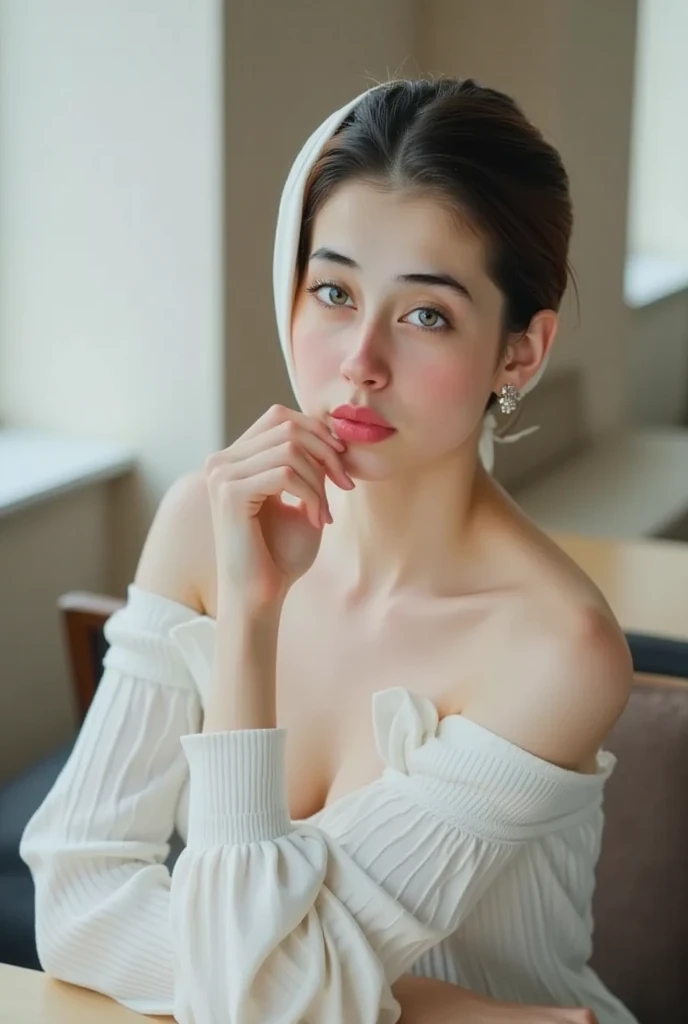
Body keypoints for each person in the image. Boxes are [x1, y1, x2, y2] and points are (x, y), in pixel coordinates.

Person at [20, 78, 638, 1024]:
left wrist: (291, 983)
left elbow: (253, 997)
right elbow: (73, 905)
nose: (359, 359)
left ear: (519, 353)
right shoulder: (208, 520)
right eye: (334, 292)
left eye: (425, 313)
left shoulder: (555, 649)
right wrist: (439, 1009)